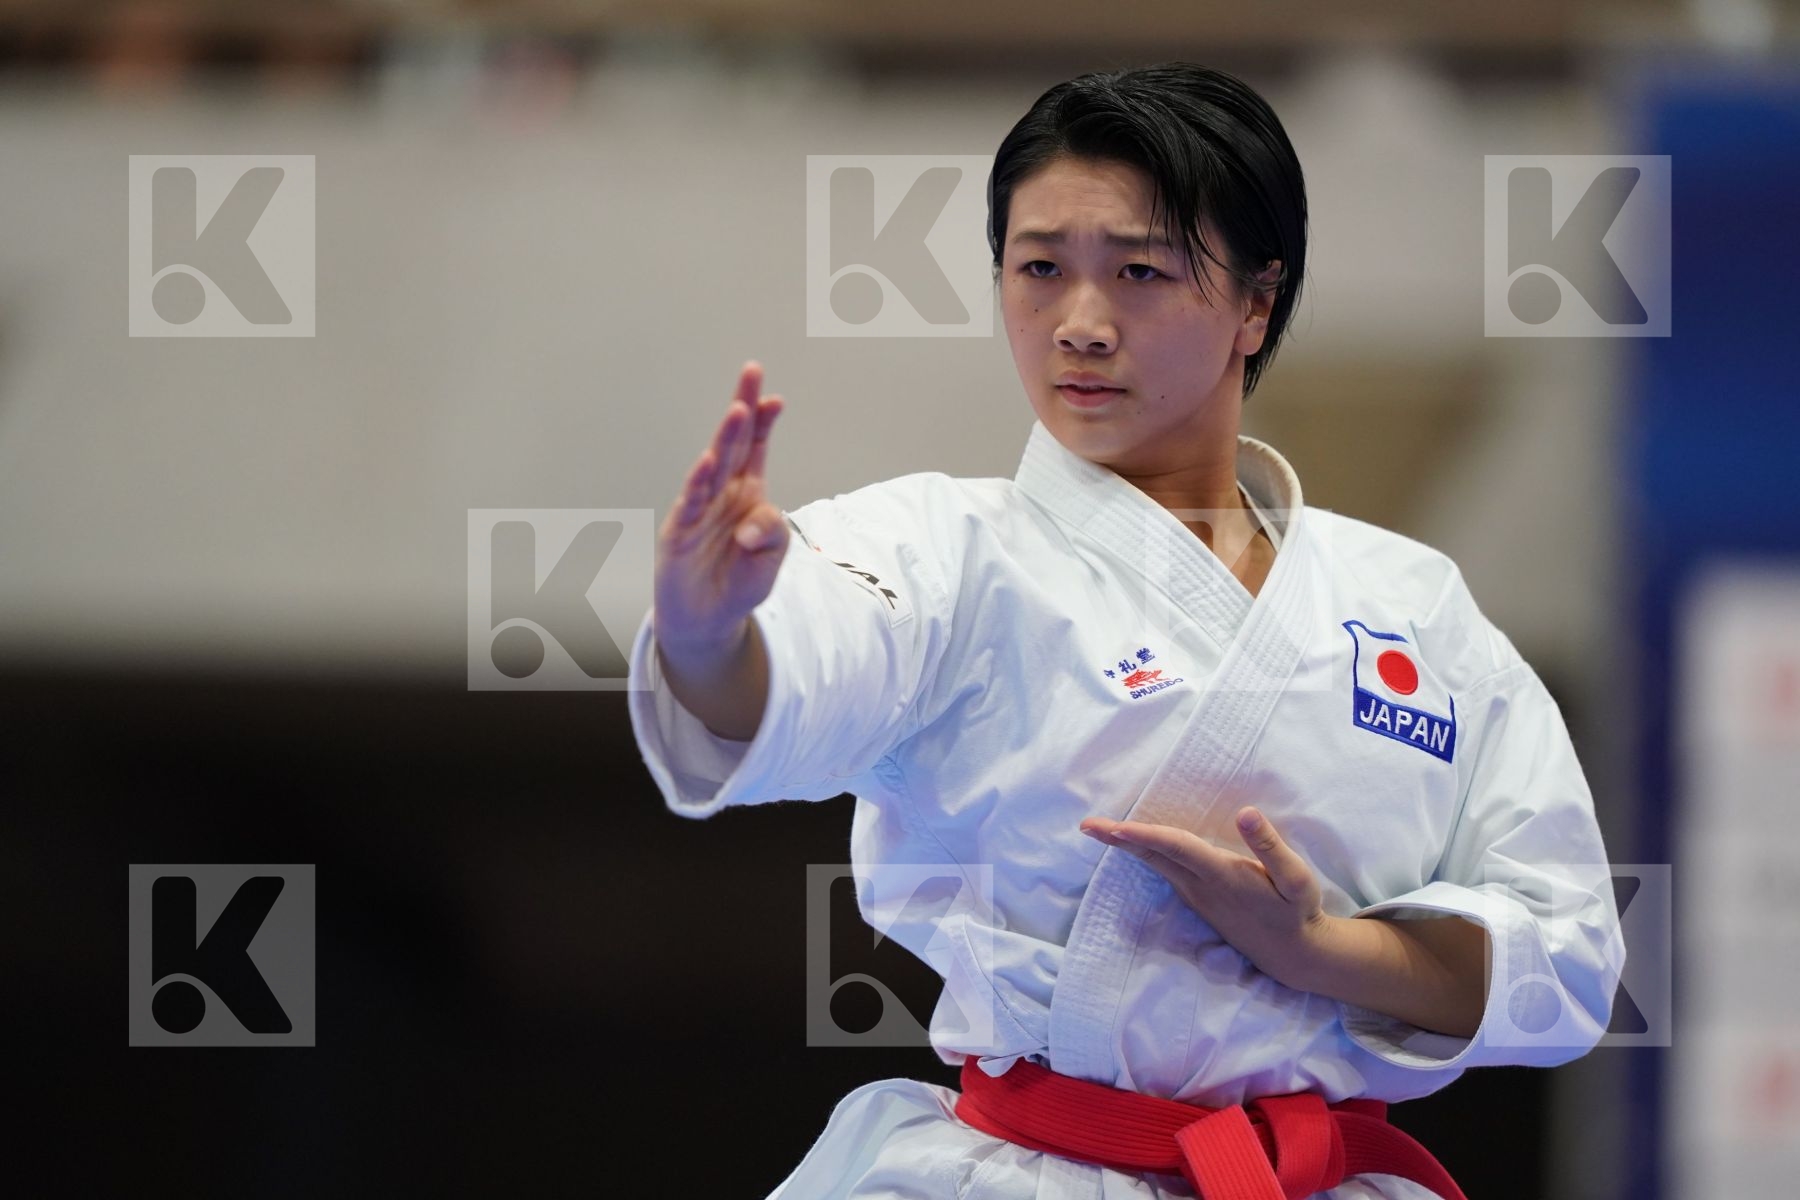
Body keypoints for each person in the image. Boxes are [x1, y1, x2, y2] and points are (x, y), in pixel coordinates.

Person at [627, 63, 1624, 1200]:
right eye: (1040, 269)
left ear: (1257, 300)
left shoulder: (1412, 602)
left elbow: (1571, 958)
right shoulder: (947, 546)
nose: (1081, 325)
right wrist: (708, 632)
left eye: (1140, 272)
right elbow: (797, 666)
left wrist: (1319, 949)